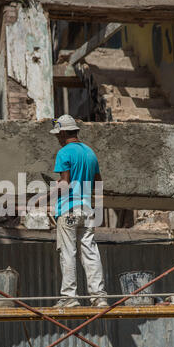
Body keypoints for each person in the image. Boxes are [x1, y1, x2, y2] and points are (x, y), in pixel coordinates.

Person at [49, 114, 107, 308]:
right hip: (87, 209)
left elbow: (65, 183)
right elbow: (98, 182)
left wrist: (45, 196)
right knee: (90, 252)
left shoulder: (64, 152)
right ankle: (99, 297)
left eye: (58, 134)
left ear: (64, 132)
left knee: (67, 252)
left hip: (69, 210)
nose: (57, 138)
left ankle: (69, 297)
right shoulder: (90, 153)